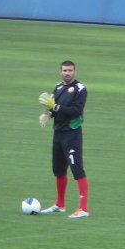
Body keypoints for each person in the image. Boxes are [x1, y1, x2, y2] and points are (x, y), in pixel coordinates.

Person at [38, 60, 90, 218]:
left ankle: (83, 209)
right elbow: (55, 107)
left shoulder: (80, 89)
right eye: (65, 70)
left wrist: (55, 108)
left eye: (70, 70)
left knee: (77, 169)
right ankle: (60, 205)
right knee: (58, 170)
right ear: (60, 72)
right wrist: (47, 114)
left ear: (75, 71)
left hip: (72, 134)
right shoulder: (58, 87)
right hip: (58, 133)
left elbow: (76, 110)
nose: (67, 73)